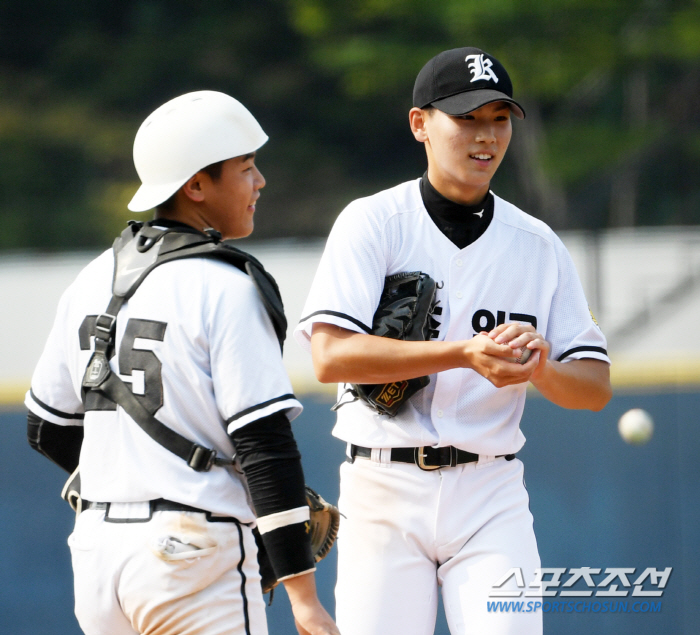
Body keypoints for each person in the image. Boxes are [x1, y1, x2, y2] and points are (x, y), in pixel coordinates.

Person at [294, 47, 612, 635]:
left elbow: (594, 387)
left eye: (498, 118)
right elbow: (329, 355)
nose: (485, 135)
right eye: (466, 117)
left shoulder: (537, 244)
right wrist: (463, 352)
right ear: (421, 124)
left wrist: (541, 368)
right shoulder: (374, 222)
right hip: (383, 487)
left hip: (490, 492)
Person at [25, 90, 339, 635]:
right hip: (191, 555)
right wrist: (304, 596)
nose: (260, 181)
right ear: (196, 186)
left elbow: (46, 427)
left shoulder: (91, 278)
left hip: (99, 556)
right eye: (245, 168)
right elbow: (264, 445)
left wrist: (126, 479)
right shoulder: (225, 285)